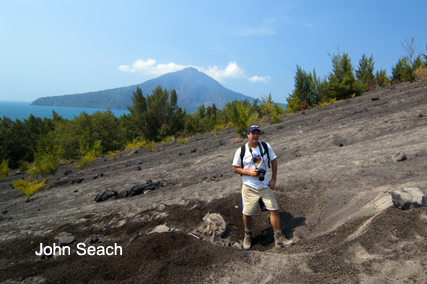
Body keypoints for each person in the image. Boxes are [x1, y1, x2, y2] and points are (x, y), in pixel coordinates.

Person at [232, 124, 295, 250]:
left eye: (257, 133)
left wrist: (274, 179)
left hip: (264, 186)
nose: (255, 136)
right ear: (248, 134)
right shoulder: (241, 151)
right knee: (247, 213)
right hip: (249, 187)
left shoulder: (266, 146)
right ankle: (247, 234)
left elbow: (274, 161)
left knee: (274, 209)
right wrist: (249, 173)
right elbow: (235, 168)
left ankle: (279, 238)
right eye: (252, 133)